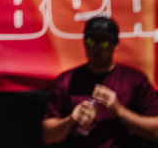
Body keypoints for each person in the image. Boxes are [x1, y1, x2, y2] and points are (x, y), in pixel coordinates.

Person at [43, 16, 158, 146]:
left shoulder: (134, 80)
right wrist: (70, 120)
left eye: (104, 42)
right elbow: (48, 135)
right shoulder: (66, 81)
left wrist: (119, 111)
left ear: (115, 45)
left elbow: (156, 131)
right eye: (91, 41)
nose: (97, 48)